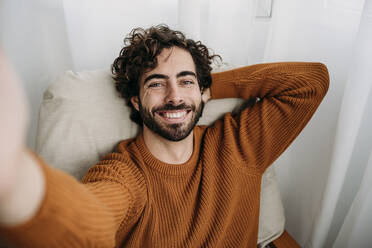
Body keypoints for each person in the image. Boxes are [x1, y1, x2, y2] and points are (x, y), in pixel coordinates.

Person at [0, 25, 329, 247]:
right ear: (135, 100)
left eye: (186, 81)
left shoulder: (238, 144)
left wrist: (210, 88)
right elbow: (92, 216)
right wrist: (14, 179)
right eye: (156, 83)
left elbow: (311, 82)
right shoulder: (123, 172)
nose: (174, 96)